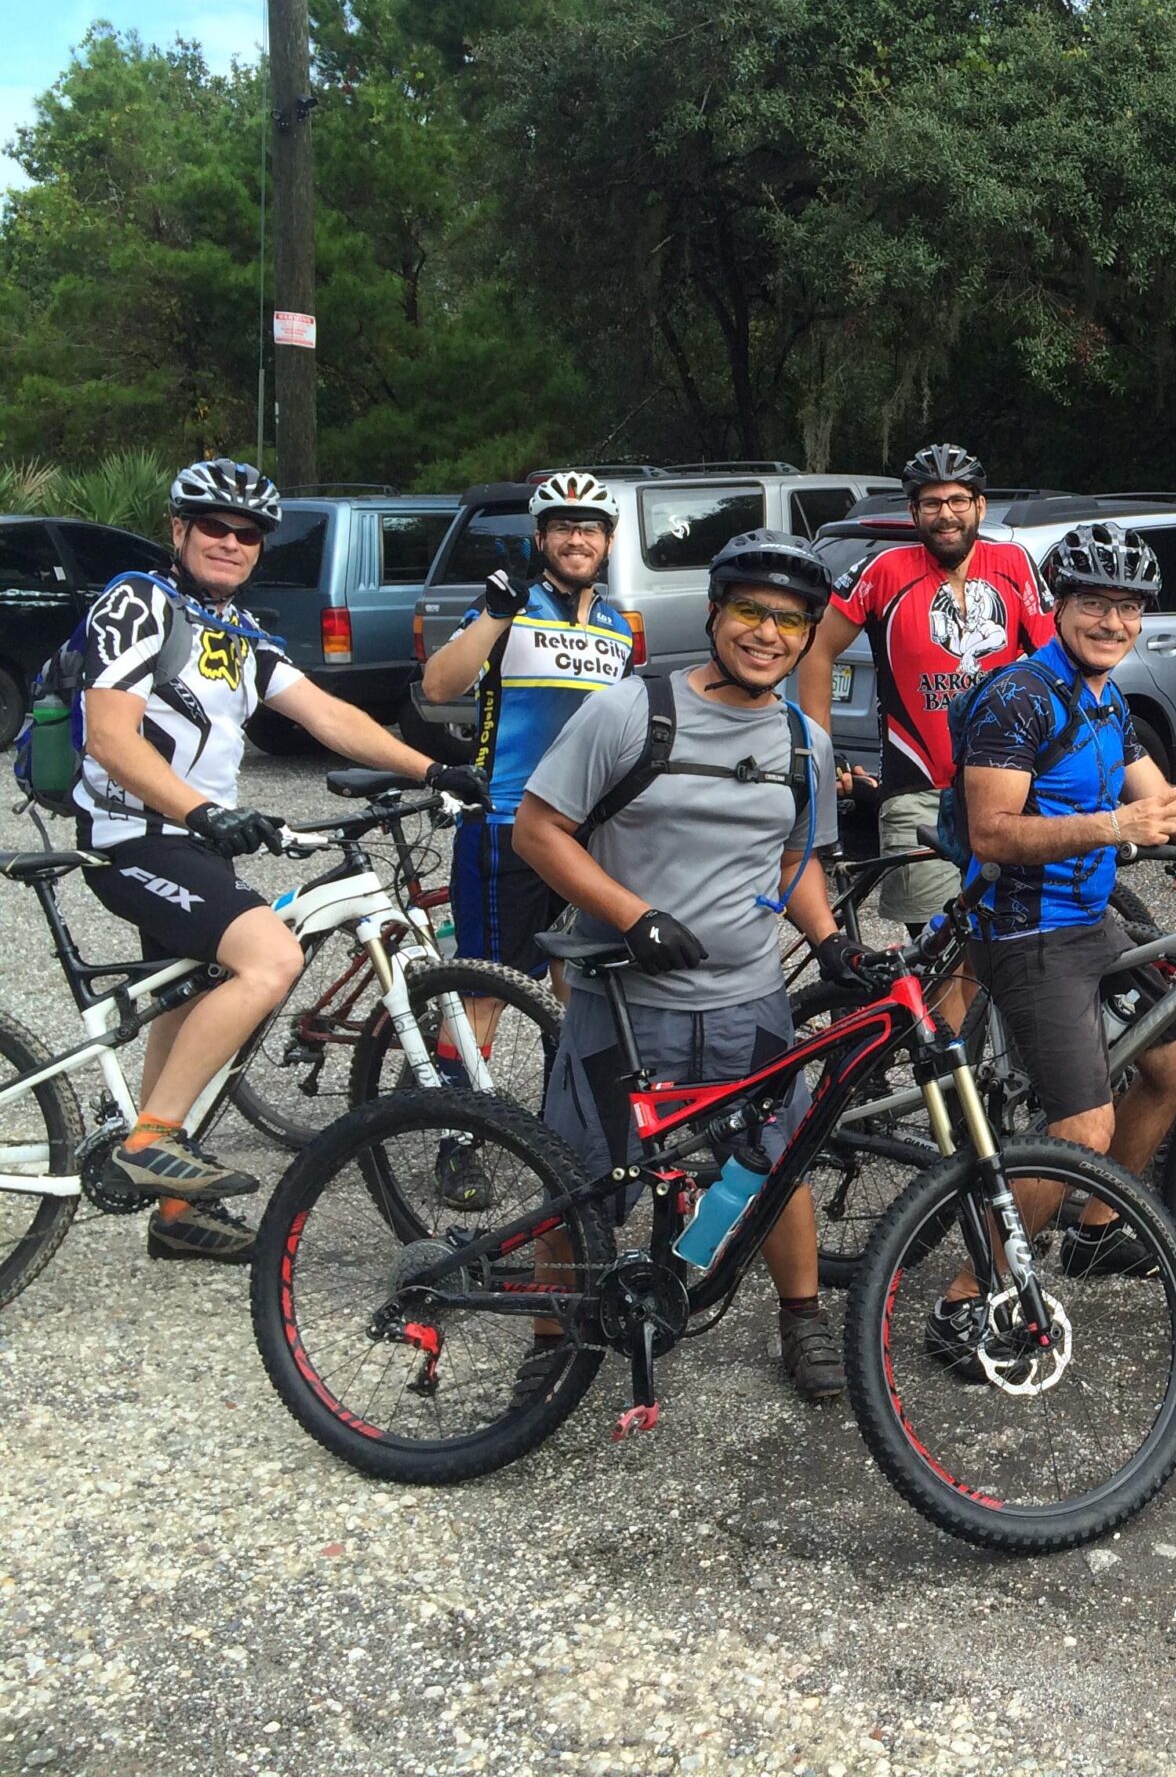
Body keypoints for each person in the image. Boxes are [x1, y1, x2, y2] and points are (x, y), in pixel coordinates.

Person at [76, 458, 486, 1263]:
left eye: (249, 534)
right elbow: (110, 736)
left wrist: (430, 768)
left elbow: (328, 715)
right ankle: (150, 1138)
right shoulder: (139, 603)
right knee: (271, 958)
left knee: (182, 1012)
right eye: (216, 528)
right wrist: (201, 809)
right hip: (135, 838)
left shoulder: (237, 632)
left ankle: (174, 1215)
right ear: (179, 530)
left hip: (192, 842)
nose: (232, 543)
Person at [513, 529, 860, 1405]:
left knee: (776, 1165)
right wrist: (634, 917)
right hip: (624, 1004)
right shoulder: (631, 710)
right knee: (582, 1178)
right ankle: (552, 1343)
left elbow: (795, 861)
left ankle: (802, 1318)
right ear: (715, 613)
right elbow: (538, 828)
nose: (767, 634)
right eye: (750, 610)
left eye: (791, 621)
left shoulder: (801, 741)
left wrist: (829, 942)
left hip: (750, 1001)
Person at [938, 522, 1176, 1366]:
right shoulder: (1020, 697)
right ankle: (971, 1296)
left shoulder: (1107, 699)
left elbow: (1170, 803)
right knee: (1081, 1126)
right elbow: (993, 832)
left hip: (1094, 923)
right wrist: (1116, 826)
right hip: (1026, 931)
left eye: (1128, 607)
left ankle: (1094, 1227)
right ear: (1058, 605)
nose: (1113, 622)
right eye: (1094, 604)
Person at [417, 469, 636, 1208]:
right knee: (488, 992)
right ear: (540, 537)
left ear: (607, 542)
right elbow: (440, 686)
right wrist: (492, 614)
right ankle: (460, 1139)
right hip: (505, 825)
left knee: (577, 992)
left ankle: (560, 1131)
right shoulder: (509, 606)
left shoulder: (616, 625)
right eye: (564, 526)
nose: (578, 538)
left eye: (592, 527)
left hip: (584, 837)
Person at [792, 443, 1051, 978]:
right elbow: (815, 650)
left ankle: (983, 1057)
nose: (945, 514)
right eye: (931, 503)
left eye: (958, 500)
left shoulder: (1015, 565)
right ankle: (944, 1056)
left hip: (1005, 791)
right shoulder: (884, 569)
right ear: (914, 513)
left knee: (1011, 946)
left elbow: (1053, 662)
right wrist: (820, 753)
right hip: (919, 795)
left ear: (980, 506)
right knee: (951, 964)